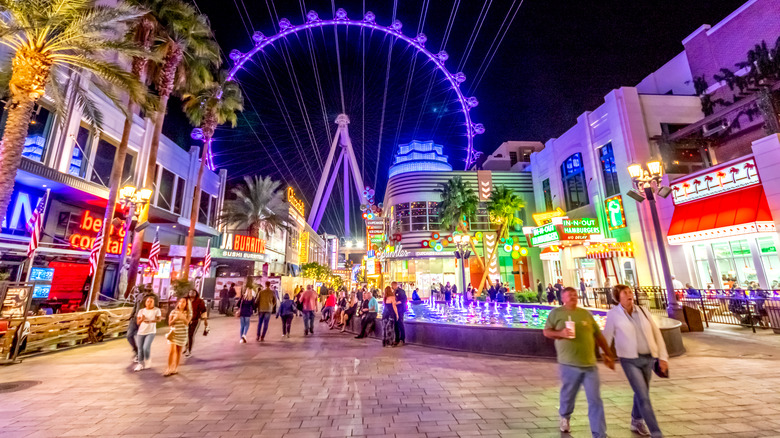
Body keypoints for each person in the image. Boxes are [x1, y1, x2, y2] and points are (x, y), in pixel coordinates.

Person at [543, 287, 614, 437]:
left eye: (575, 294)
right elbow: (547, 331)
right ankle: (565, 416)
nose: (574, 296)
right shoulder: (556, 313)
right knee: (568, 395)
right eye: (570, 295)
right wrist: (560, 333)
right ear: (563, 298)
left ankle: (600, 433)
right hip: (568, 364)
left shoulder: (585, 314)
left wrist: (608, 354)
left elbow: (598, 335)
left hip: (590, 365)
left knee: (595, 400)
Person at [603, 285, 668, 437]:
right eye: (625, 293)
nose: (629, 294)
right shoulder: (613, 314)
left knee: (641, 392)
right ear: (618, 297)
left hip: (648, 358)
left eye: (630, 292)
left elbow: (656, 334)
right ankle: (656, 433)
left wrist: (662, 357)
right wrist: (605, 354)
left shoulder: (644, 311)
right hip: (629, 360)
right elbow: (606, 336)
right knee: (643, 396)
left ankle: (636, 420)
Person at [165, 298, 191, 376]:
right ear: (178, 303)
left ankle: (175, 368)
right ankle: (169, 368)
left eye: (184, 302)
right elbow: (170, 323)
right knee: (171, 351)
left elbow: (187, 323)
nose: (181, 303)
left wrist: (182, 317)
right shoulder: (173, 312)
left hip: (182, 334)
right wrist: (176, 318)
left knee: (179, 351)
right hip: (174, 333)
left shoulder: (188, 313)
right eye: (180, 302)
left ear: (186, 304)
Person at [134, 296, 161, 371]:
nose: (149, 303)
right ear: (145, 302)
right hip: (141, 332)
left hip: (151, 331)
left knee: (145, 347)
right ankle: (140, 364)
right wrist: (142, 319)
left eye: (151, 301)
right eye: (148, 301)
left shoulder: (157, 310)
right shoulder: (141, 311)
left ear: (153, 303)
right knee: (140, 349)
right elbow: (138, 322)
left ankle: (148, 360)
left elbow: (159, 319)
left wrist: (151, 321)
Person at [185, 289, 208, 357]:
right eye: (190, 292)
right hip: (186, 320)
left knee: (191, 335)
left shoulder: (199, 301)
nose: (191, 293)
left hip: (195, 320)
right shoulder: (186, 300)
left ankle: (189, 350)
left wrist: (205, 321)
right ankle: (186, 346)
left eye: (193, 292)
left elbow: (203, 311)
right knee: (186, 334)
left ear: (196, 293)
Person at [392, 281, 407, 346]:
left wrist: (397, 303)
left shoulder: (401, 291)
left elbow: (404, 300)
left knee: (400, 323)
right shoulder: (393, 292)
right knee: (395, 324)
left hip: (400, 310)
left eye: (392, 286)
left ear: (395, 285)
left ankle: (402, 339)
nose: (392, 287)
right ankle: (396, 339)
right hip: (395, 310)